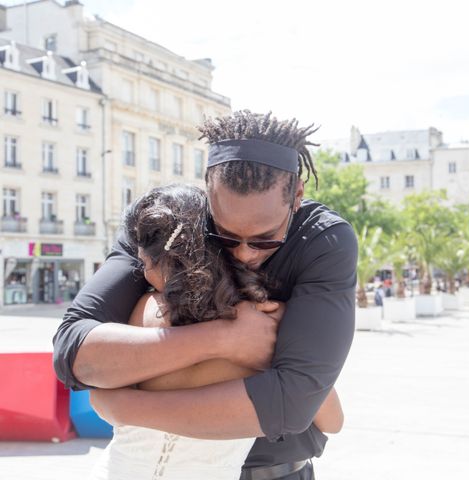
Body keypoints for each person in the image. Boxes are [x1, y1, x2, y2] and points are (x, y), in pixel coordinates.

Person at [53, 110, 358, 480]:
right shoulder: (166, 226)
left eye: (265, 239)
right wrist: (224, 339)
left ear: (296, 195)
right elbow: (73, 352)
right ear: (207, 188)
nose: (244, 253)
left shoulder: (323, 241)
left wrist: (127, 408)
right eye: (225, 236)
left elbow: (290, 406)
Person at [88, 184, 343, 480]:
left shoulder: (140, 312)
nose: (143, 274)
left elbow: (97, 396)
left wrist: (120, 408)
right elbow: (332, 420)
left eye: (143, 264)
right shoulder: (264, 323)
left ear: (160, 260)